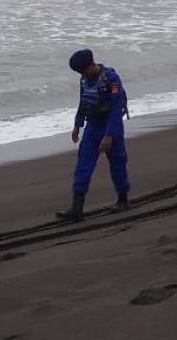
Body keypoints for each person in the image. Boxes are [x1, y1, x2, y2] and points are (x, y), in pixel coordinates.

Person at [55, 49, 130, 222]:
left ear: (91, 64)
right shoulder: (84, 80)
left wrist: (109, 135)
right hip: (93, 126)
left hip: (111, 125)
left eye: (83, 71)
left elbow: (116, 108)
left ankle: (123, 199)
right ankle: (77, 208)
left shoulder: (111, 79)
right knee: (83, 164)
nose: (82, 75)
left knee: (118, 162)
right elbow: (83, 102)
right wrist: (77, 125)